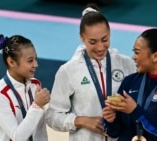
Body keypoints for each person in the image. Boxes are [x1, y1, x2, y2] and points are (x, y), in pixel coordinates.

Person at [45, 3, 136, 141]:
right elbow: (52, 116)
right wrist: (81, 120)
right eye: (93, 42)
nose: (100, 47)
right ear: (82, 37)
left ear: (110, 33)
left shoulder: (126, 64)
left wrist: (120, 114)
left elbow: (139, 103)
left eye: (104, 40)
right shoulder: (68, 71)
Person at [102, 23, 157, 141]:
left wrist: (136, 111)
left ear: (155, 56)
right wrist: (110, 120)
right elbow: (115, 132)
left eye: (137, 52)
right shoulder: (129, 82)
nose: (133, 57)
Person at [0, 34, 51, 141]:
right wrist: (37, 106)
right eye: (30, 61)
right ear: (11, 62)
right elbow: (17, 137)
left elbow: (39, 130)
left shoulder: (35, 84)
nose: (36, 64)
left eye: (36, 59)